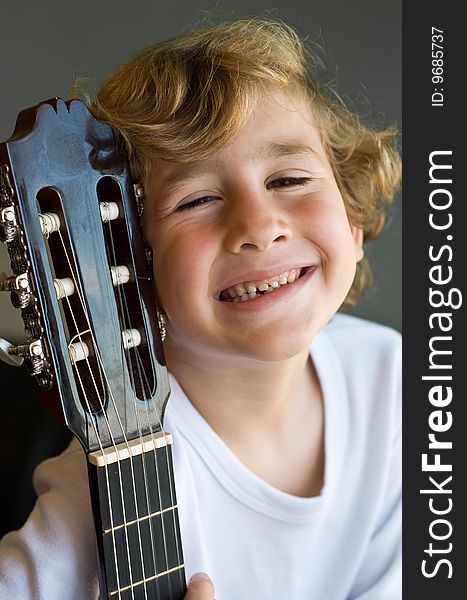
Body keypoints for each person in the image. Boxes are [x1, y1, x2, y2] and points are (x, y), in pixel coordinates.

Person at [0, 17, 401, 599]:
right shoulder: (101, 484)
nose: (259, 227)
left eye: (289, 178)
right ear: (129, 265)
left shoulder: (394, 384)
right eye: (198, 199)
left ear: (354, 218)